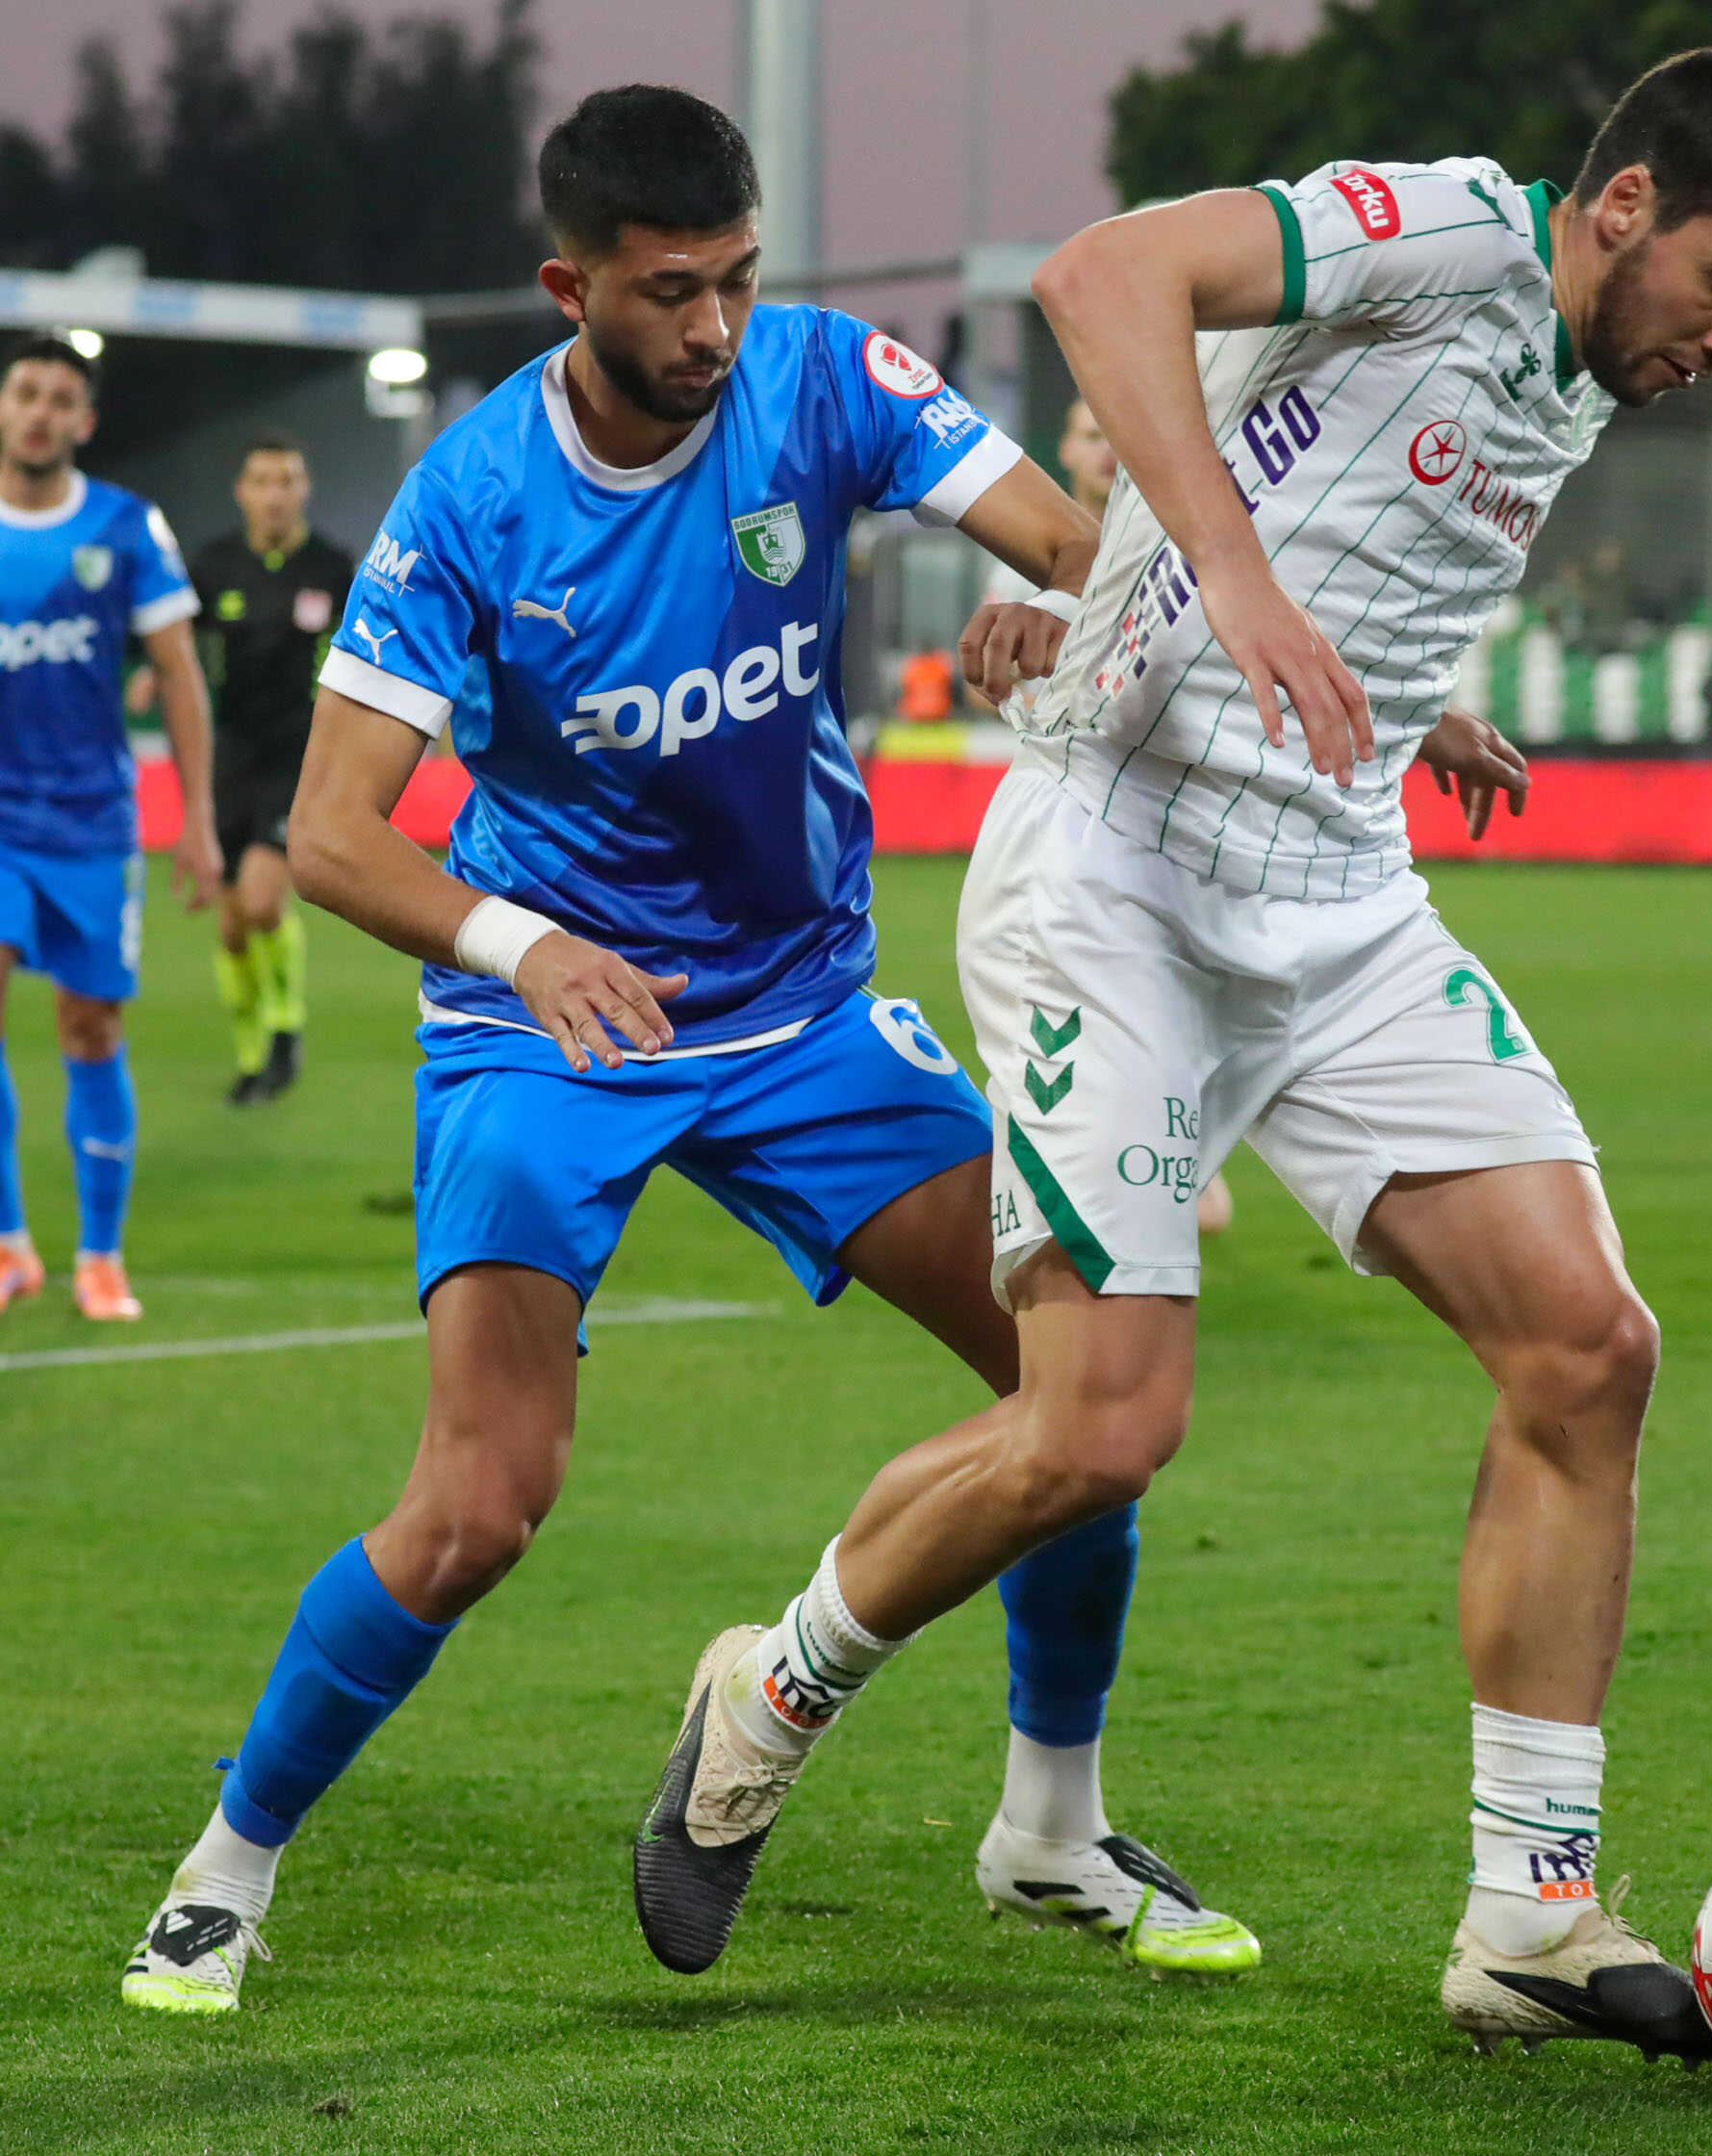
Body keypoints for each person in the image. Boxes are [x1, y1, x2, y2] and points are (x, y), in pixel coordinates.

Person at [638, 48, 1712, 2064]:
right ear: (1626, 207)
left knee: (1588, 1348)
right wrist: (1221, 572)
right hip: (1115, 879)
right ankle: (767, 1689)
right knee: (1098, 1433)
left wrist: (1400, 692)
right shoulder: (1457, 226)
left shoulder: (1588, 364)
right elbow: (1105, 272)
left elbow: (1342, 490)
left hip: (1339, 900)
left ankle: (1530, 1913)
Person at [121, 85, 1256, 2018]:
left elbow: (1080, 544)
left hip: (802, 1013)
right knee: (479, 1505)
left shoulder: (823, 378)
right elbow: (328, 836)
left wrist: (1034, 601)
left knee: (1078, 1396)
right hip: (543, 1029)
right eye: (669, 291)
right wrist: (527, 945)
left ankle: (1051, 1830)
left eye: (735, 279)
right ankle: (223, 1875)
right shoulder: (472, 499)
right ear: (570, 289)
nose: (715, 325)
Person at [0, 335, 218, 1322]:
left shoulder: (126, 526)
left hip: (92, 825)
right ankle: (10, 1244)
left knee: (89, 1026)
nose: (39, 412)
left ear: (83, 422)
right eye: (25, 393)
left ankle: (99, 1254)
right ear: (5, 407)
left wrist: (199, 819)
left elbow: (178, 672)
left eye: (59, 399)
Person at [977, 397, 1233, 1236]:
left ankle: (1170, 1150)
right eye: (1092, 435)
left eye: (1118, 431)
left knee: (1185, 982)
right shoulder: (1021, 563)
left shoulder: (1191, 537)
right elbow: (992, 681)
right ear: (1063, 449)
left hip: (1180, 803)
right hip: (1070, 799)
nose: (1107, 451)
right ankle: (1086, 1161)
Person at [188, 435, 353, 1102]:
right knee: (232, 926)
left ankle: (285, 1029)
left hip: (297, 756)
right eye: (262, 481)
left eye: (287, 480)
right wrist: (148, 678)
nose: (275, 494)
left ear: (303, 489)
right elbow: (172, 641)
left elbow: (369, 649)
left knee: (262, 901)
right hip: (229, 756)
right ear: (242, 491)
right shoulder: (213, 564)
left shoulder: (332, 567)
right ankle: (251, 1055)